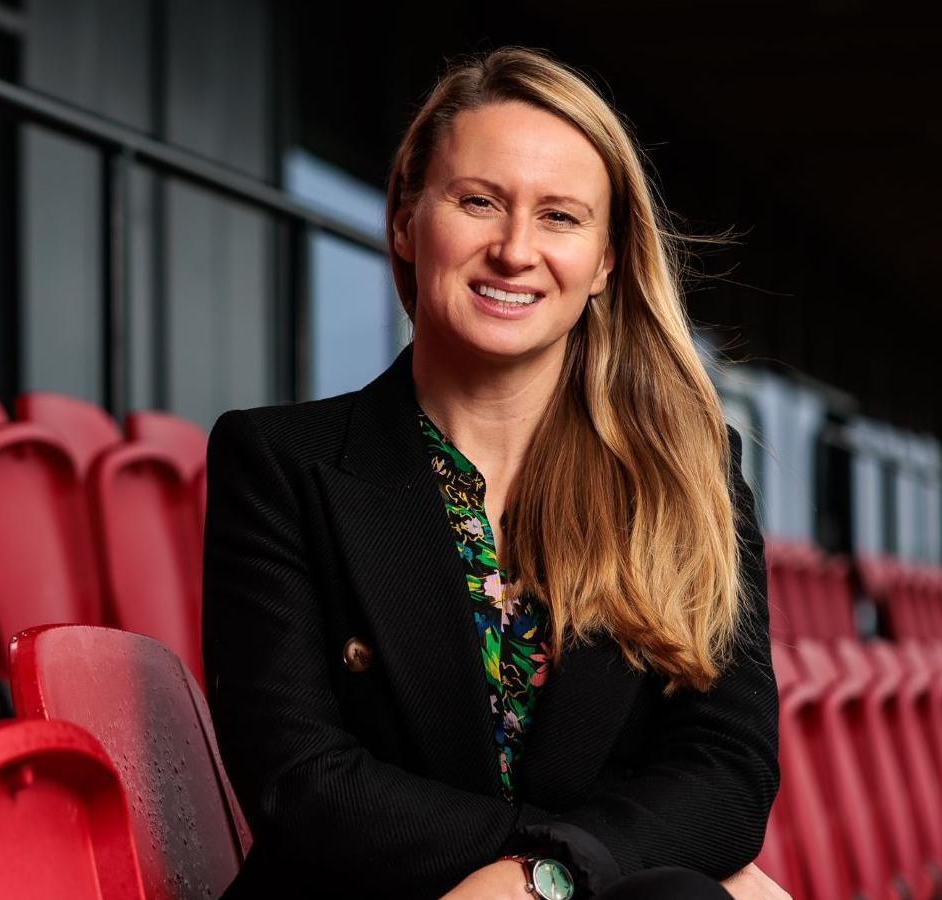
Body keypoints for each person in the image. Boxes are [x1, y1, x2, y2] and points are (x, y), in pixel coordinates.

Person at [204, 47, 787, 900]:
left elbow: (727, 768)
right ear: (406, 221)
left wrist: (547, 880)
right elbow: (303, 781)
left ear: (606, 260)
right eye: (479, 202)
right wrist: (560, 870)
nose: (516, 250)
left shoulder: (686, 472)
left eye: (560, 217)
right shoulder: (280, 462)